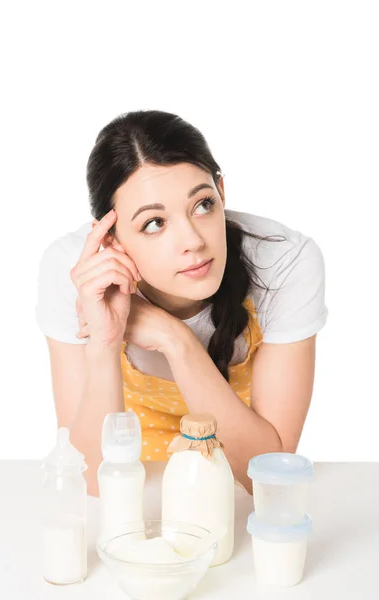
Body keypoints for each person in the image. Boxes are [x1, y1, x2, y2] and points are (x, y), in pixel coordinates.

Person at [35, 109, 328, 497]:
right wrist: (105, 343)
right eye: (154, 223)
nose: (192, 240)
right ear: (110, 239)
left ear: (222, 192)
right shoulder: (75, 273)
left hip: (236, 491)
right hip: (132, 493)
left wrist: (175, 339)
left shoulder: (284, 261)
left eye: (203, 204)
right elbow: (88, 480)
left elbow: (266, 476)